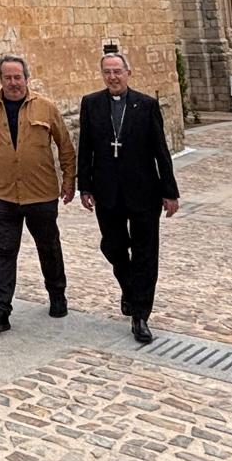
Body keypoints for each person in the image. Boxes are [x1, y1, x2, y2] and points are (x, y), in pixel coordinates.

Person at [78, 51, 180, 344]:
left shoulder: (146, 105)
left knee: (146, 253)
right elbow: (86, 148)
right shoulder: (91, 104)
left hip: (144, 191)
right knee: (112, 245)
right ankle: (130, 287)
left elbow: (161, 151)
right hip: (107, 190)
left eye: (117, 72)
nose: (113, 77)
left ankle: (140, 315)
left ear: (128, 73)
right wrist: (84, 187)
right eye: (107, 72)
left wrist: (169, 191)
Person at [0, 55, 76, 332]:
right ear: (0, 79)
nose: (13, 83)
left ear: (26, 79)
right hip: (4, 194)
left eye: (18, 77)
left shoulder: (46, 108)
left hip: (41, 193)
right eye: (8, 78)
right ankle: (0, 311)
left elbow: (65, 145)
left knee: (49, 247)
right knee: (3, 251)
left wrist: (69, 179)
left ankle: (57, 294)